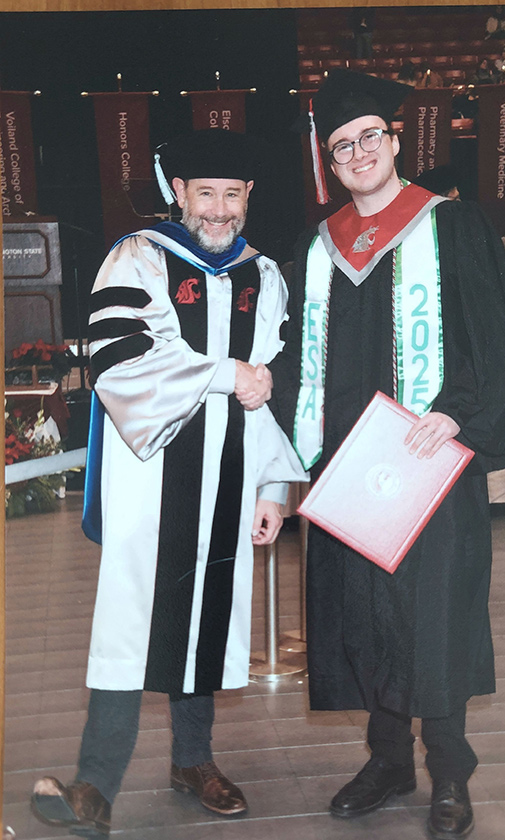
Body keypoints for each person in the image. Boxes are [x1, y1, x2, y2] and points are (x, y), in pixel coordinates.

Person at [270, 70, 505, 840]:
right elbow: (298, 360)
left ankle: (449, 772)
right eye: (341, 145)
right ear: (329, 163)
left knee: (435, 614)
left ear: (395, 142)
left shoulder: (451, 227)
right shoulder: (318, 248)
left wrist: (457, 413)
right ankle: (387, 760)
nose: (358, 152)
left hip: (430, 462)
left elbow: (492, 337)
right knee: (365, 614)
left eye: (369, 136)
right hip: (348, 470)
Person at [30, 129, 306, 837]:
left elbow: (271, 388)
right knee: (131, 622)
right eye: (205, 193)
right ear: (178, 192)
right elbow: (119, 362)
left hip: (231, 478)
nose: (219, 210)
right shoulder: (137, 258)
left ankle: (193, 762)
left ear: (249, 196)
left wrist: (273, 487)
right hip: (151, 477)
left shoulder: (263, 275)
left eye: (232, 195)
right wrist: (224, 373)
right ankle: (94, 786)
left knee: (205, 618)